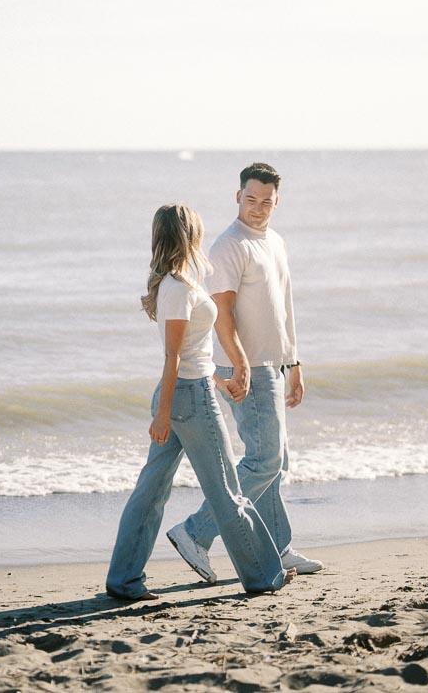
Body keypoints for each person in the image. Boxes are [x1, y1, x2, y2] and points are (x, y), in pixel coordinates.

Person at [106, 203, 295, 601]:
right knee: (226, 491)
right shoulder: (177, 289)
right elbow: (173, 357)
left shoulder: (180, 284)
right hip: (187, 399)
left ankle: (124, 580)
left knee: (152, 491)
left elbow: (193, 353)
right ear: (189, 236)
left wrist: (221, 383)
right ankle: (264, 575)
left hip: (188, 392)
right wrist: (162, 414)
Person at [166, 163, 323, 583]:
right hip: (246, 367)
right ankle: (195, 533)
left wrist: (294, 362)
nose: (257, 208)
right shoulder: (228, 246)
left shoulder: (274, 241)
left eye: (266, 201)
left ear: (277, 201)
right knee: (265, 460)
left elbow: (283, 306)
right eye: (250, 199)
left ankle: (279, 547)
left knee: (275, 461)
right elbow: (223, 314)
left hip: (272, 363)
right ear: (238, 196)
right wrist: (239, 364)